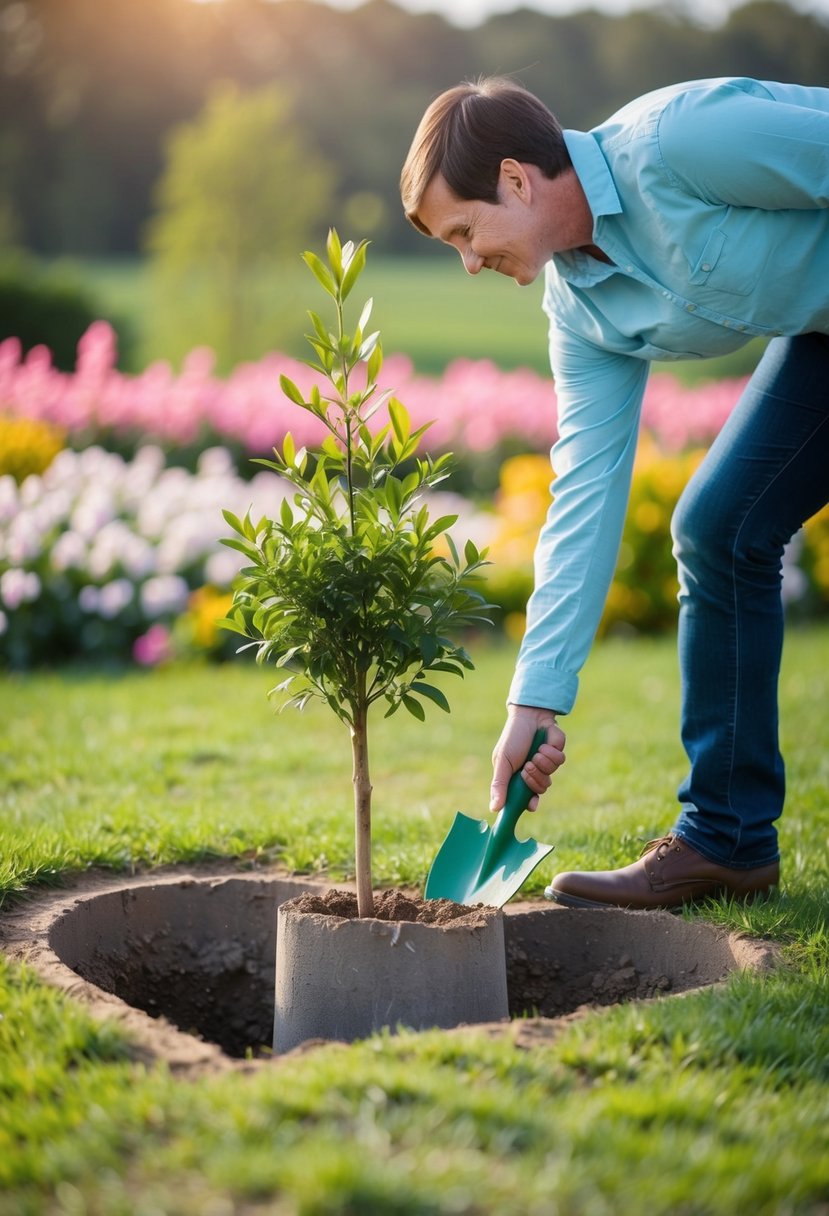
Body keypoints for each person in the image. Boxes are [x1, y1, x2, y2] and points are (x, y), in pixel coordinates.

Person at [400, 75, 829, 909]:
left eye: (464, 230)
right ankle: (727, 841)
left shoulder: (681, 144)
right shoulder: (580, 310)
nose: (466, 262)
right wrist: (534, 698)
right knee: (719, 528)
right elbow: (584, 498)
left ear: (516, 181)